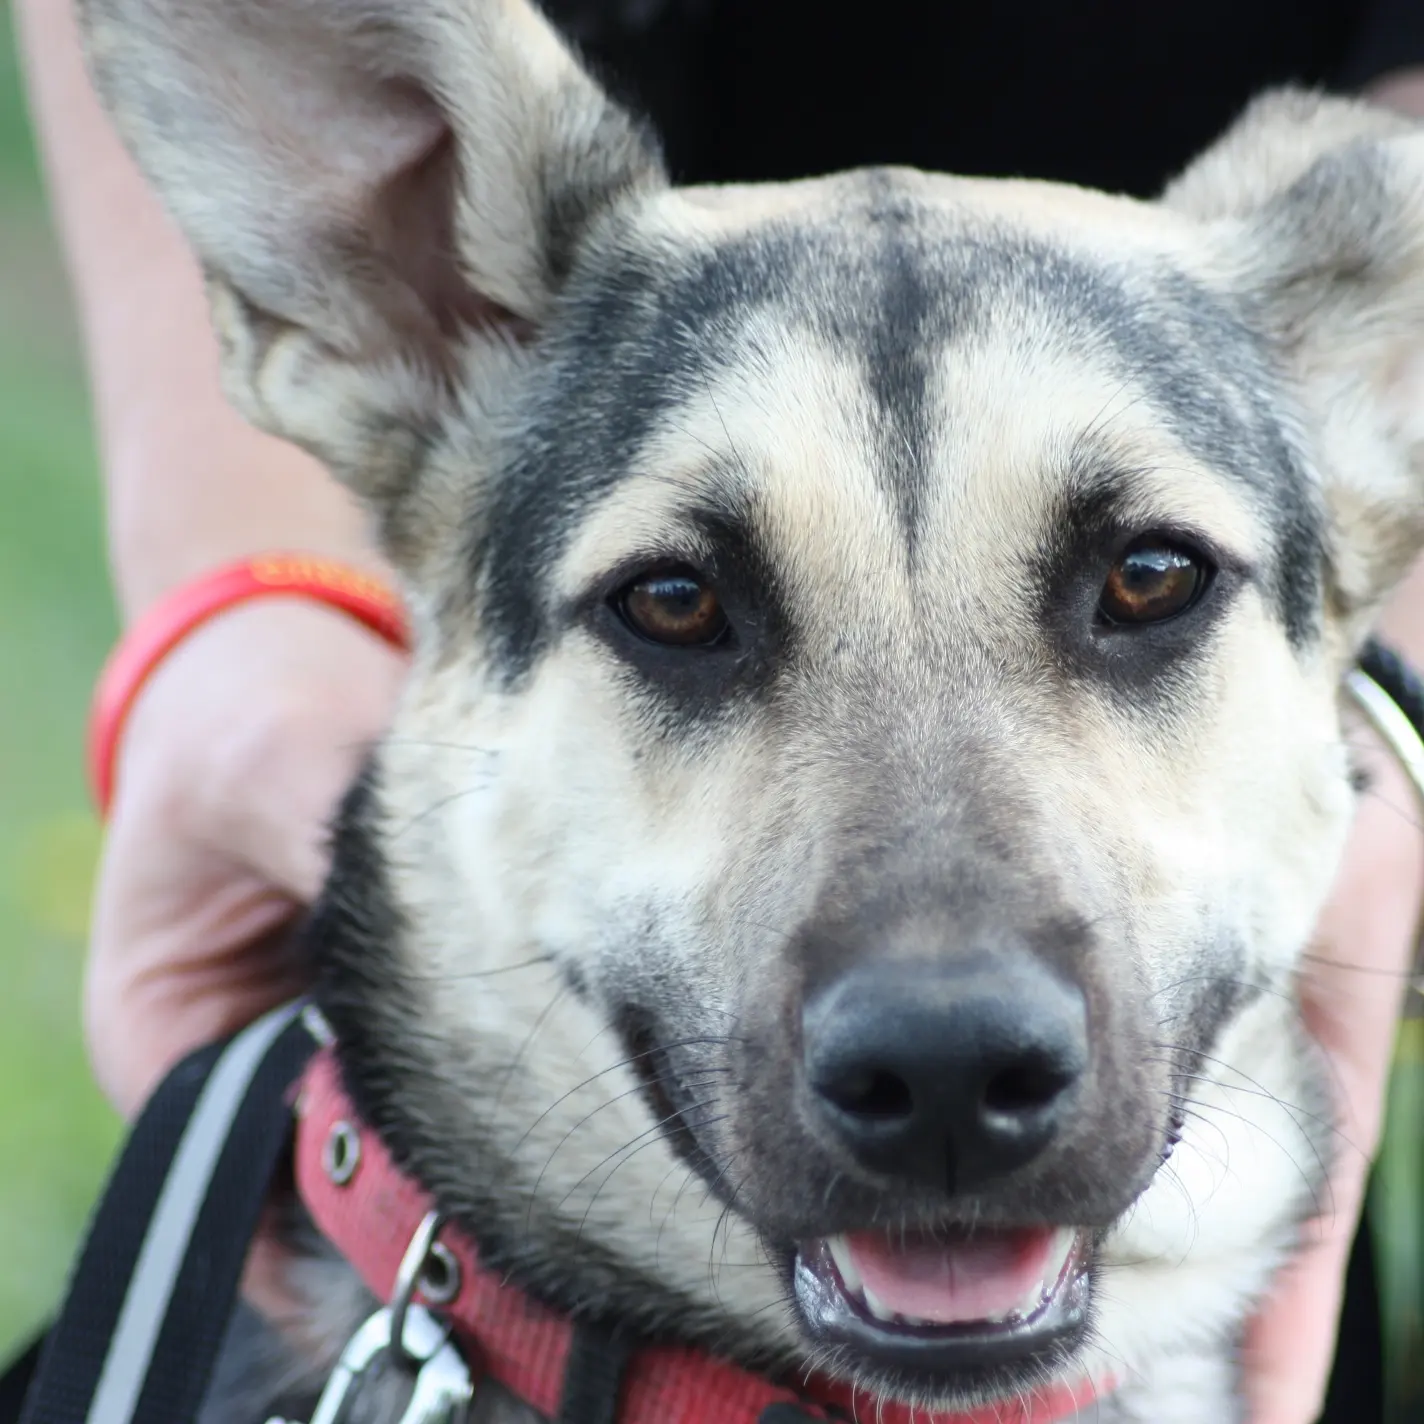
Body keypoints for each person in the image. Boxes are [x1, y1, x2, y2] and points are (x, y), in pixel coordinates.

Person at [13, 2, 1424, 1420]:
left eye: (1150, 584)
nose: (946, 1019)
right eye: (678, 605)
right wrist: (241, 603)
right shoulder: (458, 322)